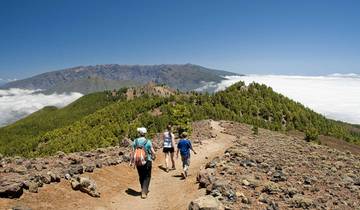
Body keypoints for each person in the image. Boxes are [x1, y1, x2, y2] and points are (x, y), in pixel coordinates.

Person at [130, 127, 156, 199]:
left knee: (141, 175)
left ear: (139, 133)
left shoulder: (135, 141)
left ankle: (142, 188)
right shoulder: (148, 141)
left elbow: (132, 152)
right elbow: (153, 151)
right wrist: (154, 156)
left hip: (138, 161)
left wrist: (131, 161)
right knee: (147, 176)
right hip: (147, 160)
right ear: (145, 134)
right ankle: (144, 191)